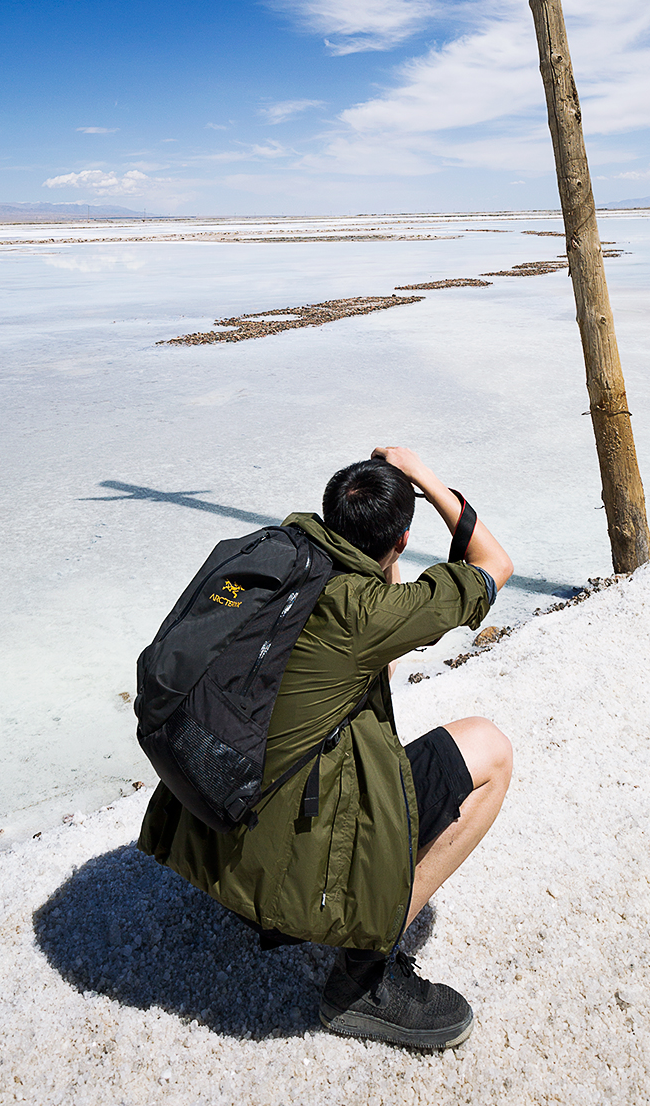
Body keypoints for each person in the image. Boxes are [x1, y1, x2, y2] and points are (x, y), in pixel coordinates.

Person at [139, 444, 514, 1050]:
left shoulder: (285, 555)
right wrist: (425, 476)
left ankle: (259, 903)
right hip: (278, 847)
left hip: (213, 817)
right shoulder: (364, 613)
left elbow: (379, 670)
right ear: (401, 539)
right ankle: (360, 984)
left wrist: (382, 555)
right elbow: (495, 561)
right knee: (490, 750)